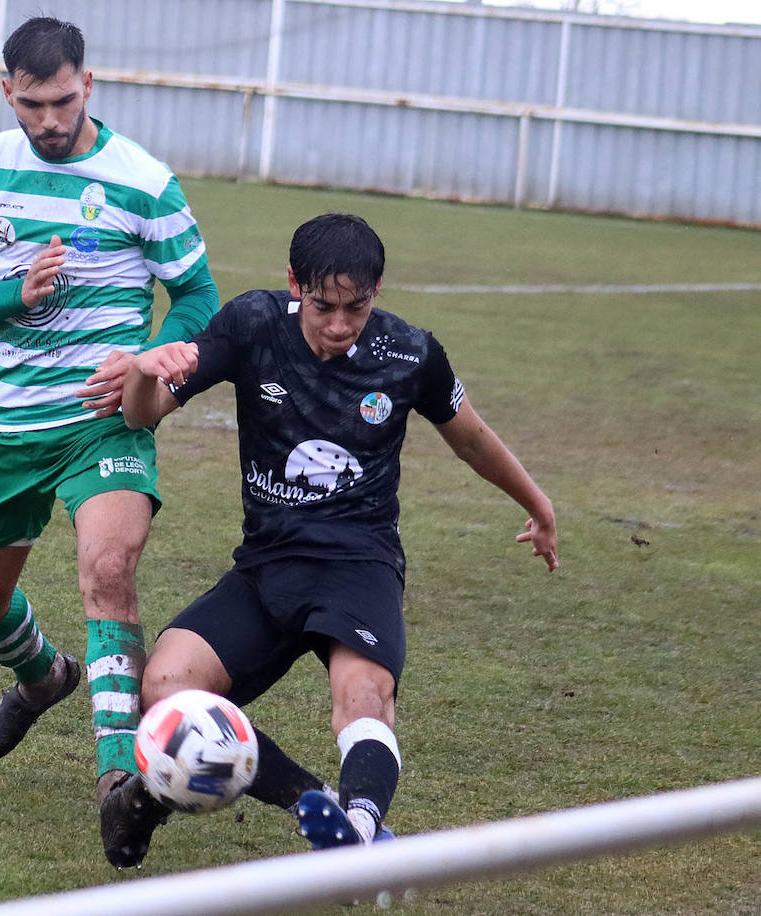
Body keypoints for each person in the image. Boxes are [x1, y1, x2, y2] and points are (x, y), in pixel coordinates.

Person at [111, 212, 559, 865]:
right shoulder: (252, 325)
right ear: (295, 284)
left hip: (360, 566)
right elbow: (138, 413)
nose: (341, 324)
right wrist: (145, 369)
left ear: (378, 291)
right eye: (323, 306)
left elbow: (471, 439)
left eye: (358, 306)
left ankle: (360, 823)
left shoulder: (411, 354)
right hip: (266, 568)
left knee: (365, 696)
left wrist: (538, 505)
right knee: (164, 688)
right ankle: (310, 802)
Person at [0, 16, 219, 867]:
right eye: (32, 104)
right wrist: (15, 293)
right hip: (11, 426)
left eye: (62, 101)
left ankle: (119, 782)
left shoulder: (144, 182)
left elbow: (199, 296)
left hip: (106, 425)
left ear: (87, 85)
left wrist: (152, 361)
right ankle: (43, 678)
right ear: (6, 92)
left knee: (109, 571)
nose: (49, 119)